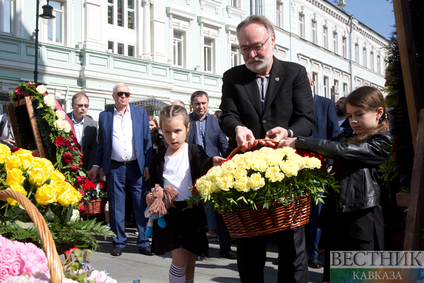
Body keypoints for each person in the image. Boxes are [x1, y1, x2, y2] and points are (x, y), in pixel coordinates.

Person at [219, 15, 315, 283]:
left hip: (287, 172)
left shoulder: (295, 73)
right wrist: (237, 128)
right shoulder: (233, 77)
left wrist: (289, 132)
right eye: (244, 48)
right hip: (247, 173)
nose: (251, 54)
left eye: (257, 46)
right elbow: (227, 115)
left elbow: (307, 119)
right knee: (249, 247)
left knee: (292, 247)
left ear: (272, 41)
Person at [281, 86, 393, 282]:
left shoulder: (382, 141)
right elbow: (329, 147)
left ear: (379, 113)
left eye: (359, 114)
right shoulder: (347, 136)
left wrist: (299, 143)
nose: (353, 121)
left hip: (363, 218)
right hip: (338, 217)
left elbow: (342, 151)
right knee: (336, 276)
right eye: (350, 116)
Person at [145, 105, 225, 283]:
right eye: (167, 132)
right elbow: (151, 186)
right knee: (179, 257)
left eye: (177, 131)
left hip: (192, 212)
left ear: (187, 128)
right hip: (170, 214)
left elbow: (203, 162)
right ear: (161, 131)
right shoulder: (158, 158)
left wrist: (212, 162)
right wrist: (150, 196)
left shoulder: (194, 150)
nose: (172, 137)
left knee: (190, 260)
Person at [88, 83, 153, 257]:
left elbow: (147, 142)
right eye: (120, 94)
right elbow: (102, 145)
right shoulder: (105, 116)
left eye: (126, 93)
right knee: (116, 206)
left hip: (136, 167)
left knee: (140, 205)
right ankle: (118, 241)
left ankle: (144, 241)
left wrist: (147, 165)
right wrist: (96, 166)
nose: (123, 96)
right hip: (115, 167)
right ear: (113, 96)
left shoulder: (140, 114)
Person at [187, 91, 235, 260]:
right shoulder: (186, 122)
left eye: (203, 103)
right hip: (192, 170)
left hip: (214, 171)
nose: (201, 106)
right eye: (197, 103)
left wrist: (227, 167)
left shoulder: (217, 122)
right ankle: (199, 249)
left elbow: (223, 146)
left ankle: (225, 248)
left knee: (220, 212)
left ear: (208, 104)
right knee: (197, 211)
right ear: (191, 104)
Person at [306, 74, 341, 269]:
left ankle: (313, 253)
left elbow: (334, 134)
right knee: (293, 213)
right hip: (296, 168)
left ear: (312, 83)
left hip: (320, 169)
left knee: (315, 213)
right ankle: (294, 251)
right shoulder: (291, 104)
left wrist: (330, 162)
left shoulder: (326, 104)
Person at [67, 92, 98, 170]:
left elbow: (93, 150)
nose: (83, 108)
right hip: (66, 164)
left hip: (85, 166)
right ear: (72, 106)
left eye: (86, 105)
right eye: (80, 105)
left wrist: (90, 169)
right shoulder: (64, 120)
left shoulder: (93, 125)